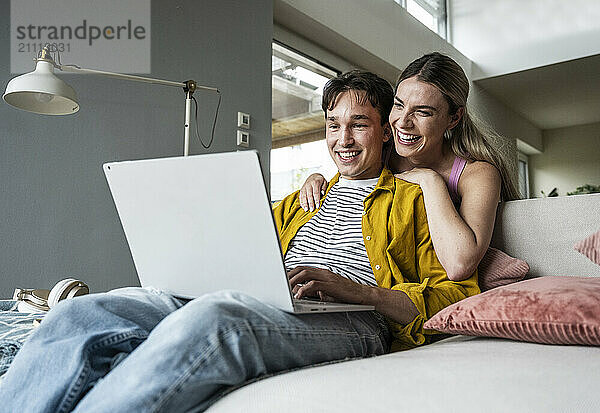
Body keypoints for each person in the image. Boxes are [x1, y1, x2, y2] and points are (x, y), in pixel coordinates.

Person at [0, 70, 479, 412]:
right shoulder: (302, 197)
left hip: (353, 317)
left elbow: (455, 297)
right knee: (86, 311)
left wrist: (360, 292)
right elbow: (237, 244)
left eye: (359, 124)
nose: (343, 139)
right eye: (333, 125)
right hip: (262, 296)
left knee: (219, 320)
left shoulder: (414, 198)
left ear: (386, 133)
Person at [299, 52, 519, 282]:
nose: (403, 123)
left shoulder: (477, 174)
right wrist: (316, 178)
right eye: (399, 105)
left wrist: (429, 180)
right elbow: (348, 177)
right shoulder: (384, 151)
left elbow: (459, 265)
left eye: (423, 112)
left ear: (453, 118)